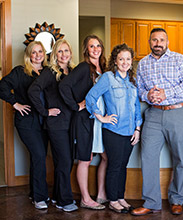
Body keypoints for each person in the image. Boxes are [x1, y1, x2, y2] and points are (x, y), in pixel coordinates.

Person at [131, 28, 183, 216]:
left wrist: (167, 93)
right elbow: (139, 89)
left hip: (178, 111)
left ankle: (177, 199)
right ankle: (151, 202)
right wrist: (148, 94)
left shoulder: (179, 59)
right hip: (153, 115)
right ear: (149, 42)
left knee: (180, 157)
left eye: (161, 40)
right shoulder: (143, 63)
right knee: (148, 156)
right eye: (154, 40)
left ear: (167, 42)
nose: (158, 43)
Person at [86, 43, 142, 214]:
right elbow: (91, 97)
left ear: (131, 61)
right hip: (113, 131)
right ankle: (113, 200)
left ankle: (120, 197)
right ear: (115, 61)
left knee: (123, 165)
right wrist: (101, 117)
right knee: (115, 165)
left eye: (127, 59)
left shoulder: (132, 81)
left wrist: (137, 129)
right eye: (121, 59)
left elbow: (137, 107)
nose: (124, 62)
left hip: (130, 131)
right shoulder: (108, 78)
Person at [28, 39, 79, 212]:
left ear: (70, 53)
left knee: (66, 161)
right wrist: (45, 111)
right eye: (60, 51)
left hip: (71, 122)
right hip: (56, 124)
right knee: (64, 161)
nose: (64, 54)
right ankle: (65, 201)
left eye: (66, 51)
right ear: (55, 55)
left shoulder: (73, 71)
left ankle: (57, 197)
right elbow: (33, 91)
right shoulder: (50, 72)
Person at [59, 35, 107, 209]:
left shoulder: (105, 67)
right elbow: (63, 86)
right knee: (85, 159)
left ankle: (101, 194)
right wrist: (75, 106)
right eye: (91, 46)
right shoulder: (83, 67)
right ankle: (85, 199)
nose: (95, 49)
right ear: (86, 50)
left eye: (98, 45)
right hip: (84, 120)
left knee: (105, 156)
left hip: (101, 120)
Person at [0, 41, 49, 209]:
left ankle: (35, 192)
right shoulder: (20, 72)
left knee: (38, 157)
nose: (37, 55)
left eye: (40, 51)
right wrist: (15, 103)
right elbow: (2, 86)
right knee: (40, 155)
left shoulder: (47, 72)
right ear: (28, 55)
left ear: (44, 53)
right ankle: (39, 198)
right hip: (27, 122)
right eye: (33, 52)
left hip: (44, 123)